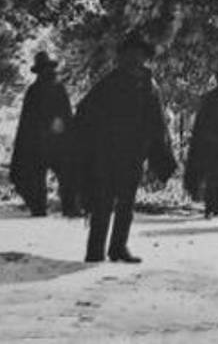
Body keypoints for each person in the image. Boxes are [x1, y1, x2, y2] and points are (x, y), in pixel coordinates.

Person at [73, 33, 176, 263]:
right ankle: (95, 251)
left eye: (139, 54)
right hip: (107, 154)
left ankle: (118, 248)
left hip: (133, 154)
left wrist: (158, 155)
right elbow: (85, 112)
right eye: (130, 54)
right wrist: (94, 143)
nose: (135, 59)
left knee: (126, 203)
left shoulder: (149, 86)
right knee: (102, 202)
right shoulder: (109, 84)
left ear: (144, 58)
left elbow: (157, 122)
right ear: (123, 56)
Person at [9, 51, 79, 217]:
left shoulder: (57, 88)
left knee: (67, 175)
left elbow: (65, 115)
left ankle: (69, 206)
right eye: (45, 68)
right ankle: (39, 207)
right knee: (37, 177)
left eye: (49, 68)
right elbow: (28, 121)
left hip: (57, 142)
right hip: (39, 143)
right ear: (40, 71)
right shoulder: (34, 91)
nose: (49, 71)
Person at [183, 64, 218, 217]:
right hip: (211, 142)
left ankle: (217, 205)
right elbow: (202, 122)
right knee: (213, 175)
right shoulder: (210, 98)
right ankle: (210, 206)